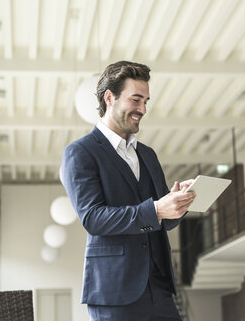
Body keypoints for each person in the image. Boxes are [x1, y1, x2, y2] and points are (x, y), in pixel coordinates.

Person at [62, 61, 196, 320]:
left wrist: (176, 204)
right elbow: (93, 219)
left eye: (146, 101)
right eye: (136, 100)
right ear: (109, 97)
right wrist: (157, 209)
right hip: (115, 291)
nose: (143, 109)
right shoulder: (80, 152)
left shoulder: (147, 154)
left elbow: (161, 221)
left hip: (159, 287)